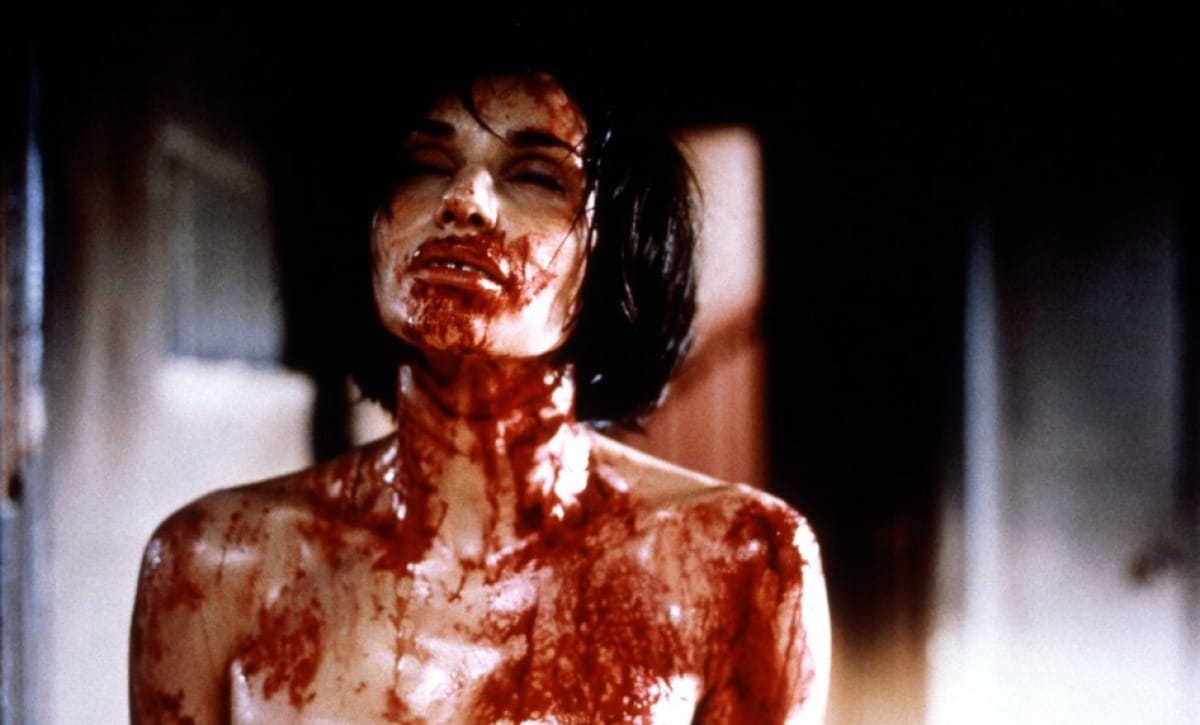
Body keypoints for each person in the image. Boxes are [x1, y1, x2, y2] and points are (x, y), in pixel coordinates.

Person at [129, 62, 830, 724]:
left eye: (536, 176)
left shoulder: (741, 561)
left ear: (616, 246)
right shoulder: (218, 563)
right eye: (424, 165)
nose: (462, 201)